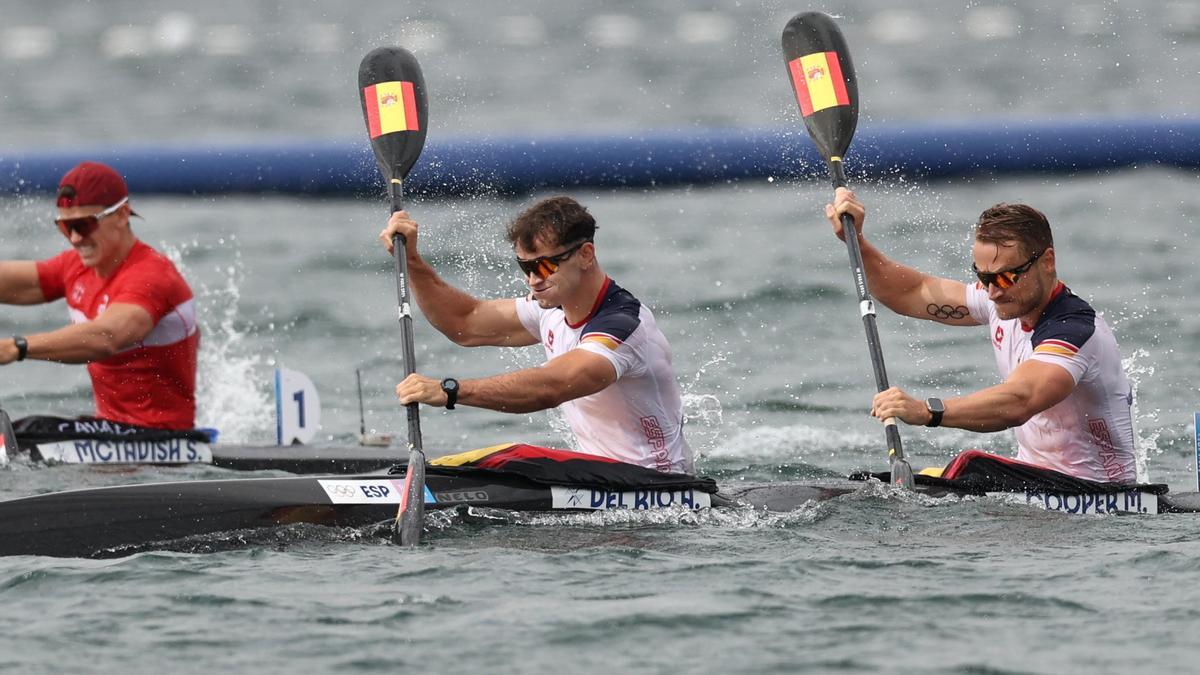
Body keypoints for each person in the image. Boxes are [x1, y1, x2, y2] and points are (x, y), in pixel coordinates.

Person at [826, 188, 1136, 484]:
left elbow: (1021, 400)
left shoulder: (1074, 331)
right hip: (1034, 483)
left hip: (1099, 493)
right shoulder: (1001, 300)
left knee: (973, 466)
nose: (992, 292)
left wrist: (926, 411)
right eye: (983, 277)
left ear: (1047, 261)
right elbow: (910, 291)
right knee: (877, 481)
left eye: (1004, 276)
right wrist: (856, 241)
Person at [380, 196, 694, 474]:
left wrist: (451, 391)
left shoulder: (623, 327)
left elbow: (553, 386)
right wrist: (412, 261)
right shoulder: (550, 308)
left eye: (543, 267)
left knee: (513, 457)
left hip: (657, 486)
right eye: (524, 267)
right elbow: (464, 323)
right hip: (600, 479)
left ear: (586, 255)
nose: (533, 280)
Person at [0, 161, 199, 430]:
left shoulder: (152, 277)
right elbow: (14, 281)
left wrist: (16, 347)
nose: (74, 238)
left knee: (29, 430)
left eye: (83, 225)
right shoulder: (76, 267)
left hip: (165, 438)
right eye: (64, 227)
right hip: (110, 431)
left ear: (122, 214)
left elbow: (107, 338)